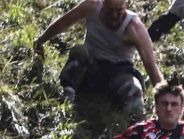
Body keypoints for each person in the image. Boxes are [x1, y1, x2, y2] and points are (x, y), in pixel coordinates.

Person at [34, 0, 164, 119]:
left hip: (119, 72)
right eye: (109, 11)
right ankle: (68, 95)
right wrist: (40, 41)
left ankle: (137, 124)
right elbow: (63, 23)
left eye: (119, 11)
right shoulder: (91, 7)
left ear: (126, 5)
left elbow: (152, 68)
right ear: (102, 3)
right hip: (92, 67)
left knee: (134, 87)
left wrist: (166, 99)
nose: (113, 16)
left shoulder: (134, 28)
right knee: (80, 51)